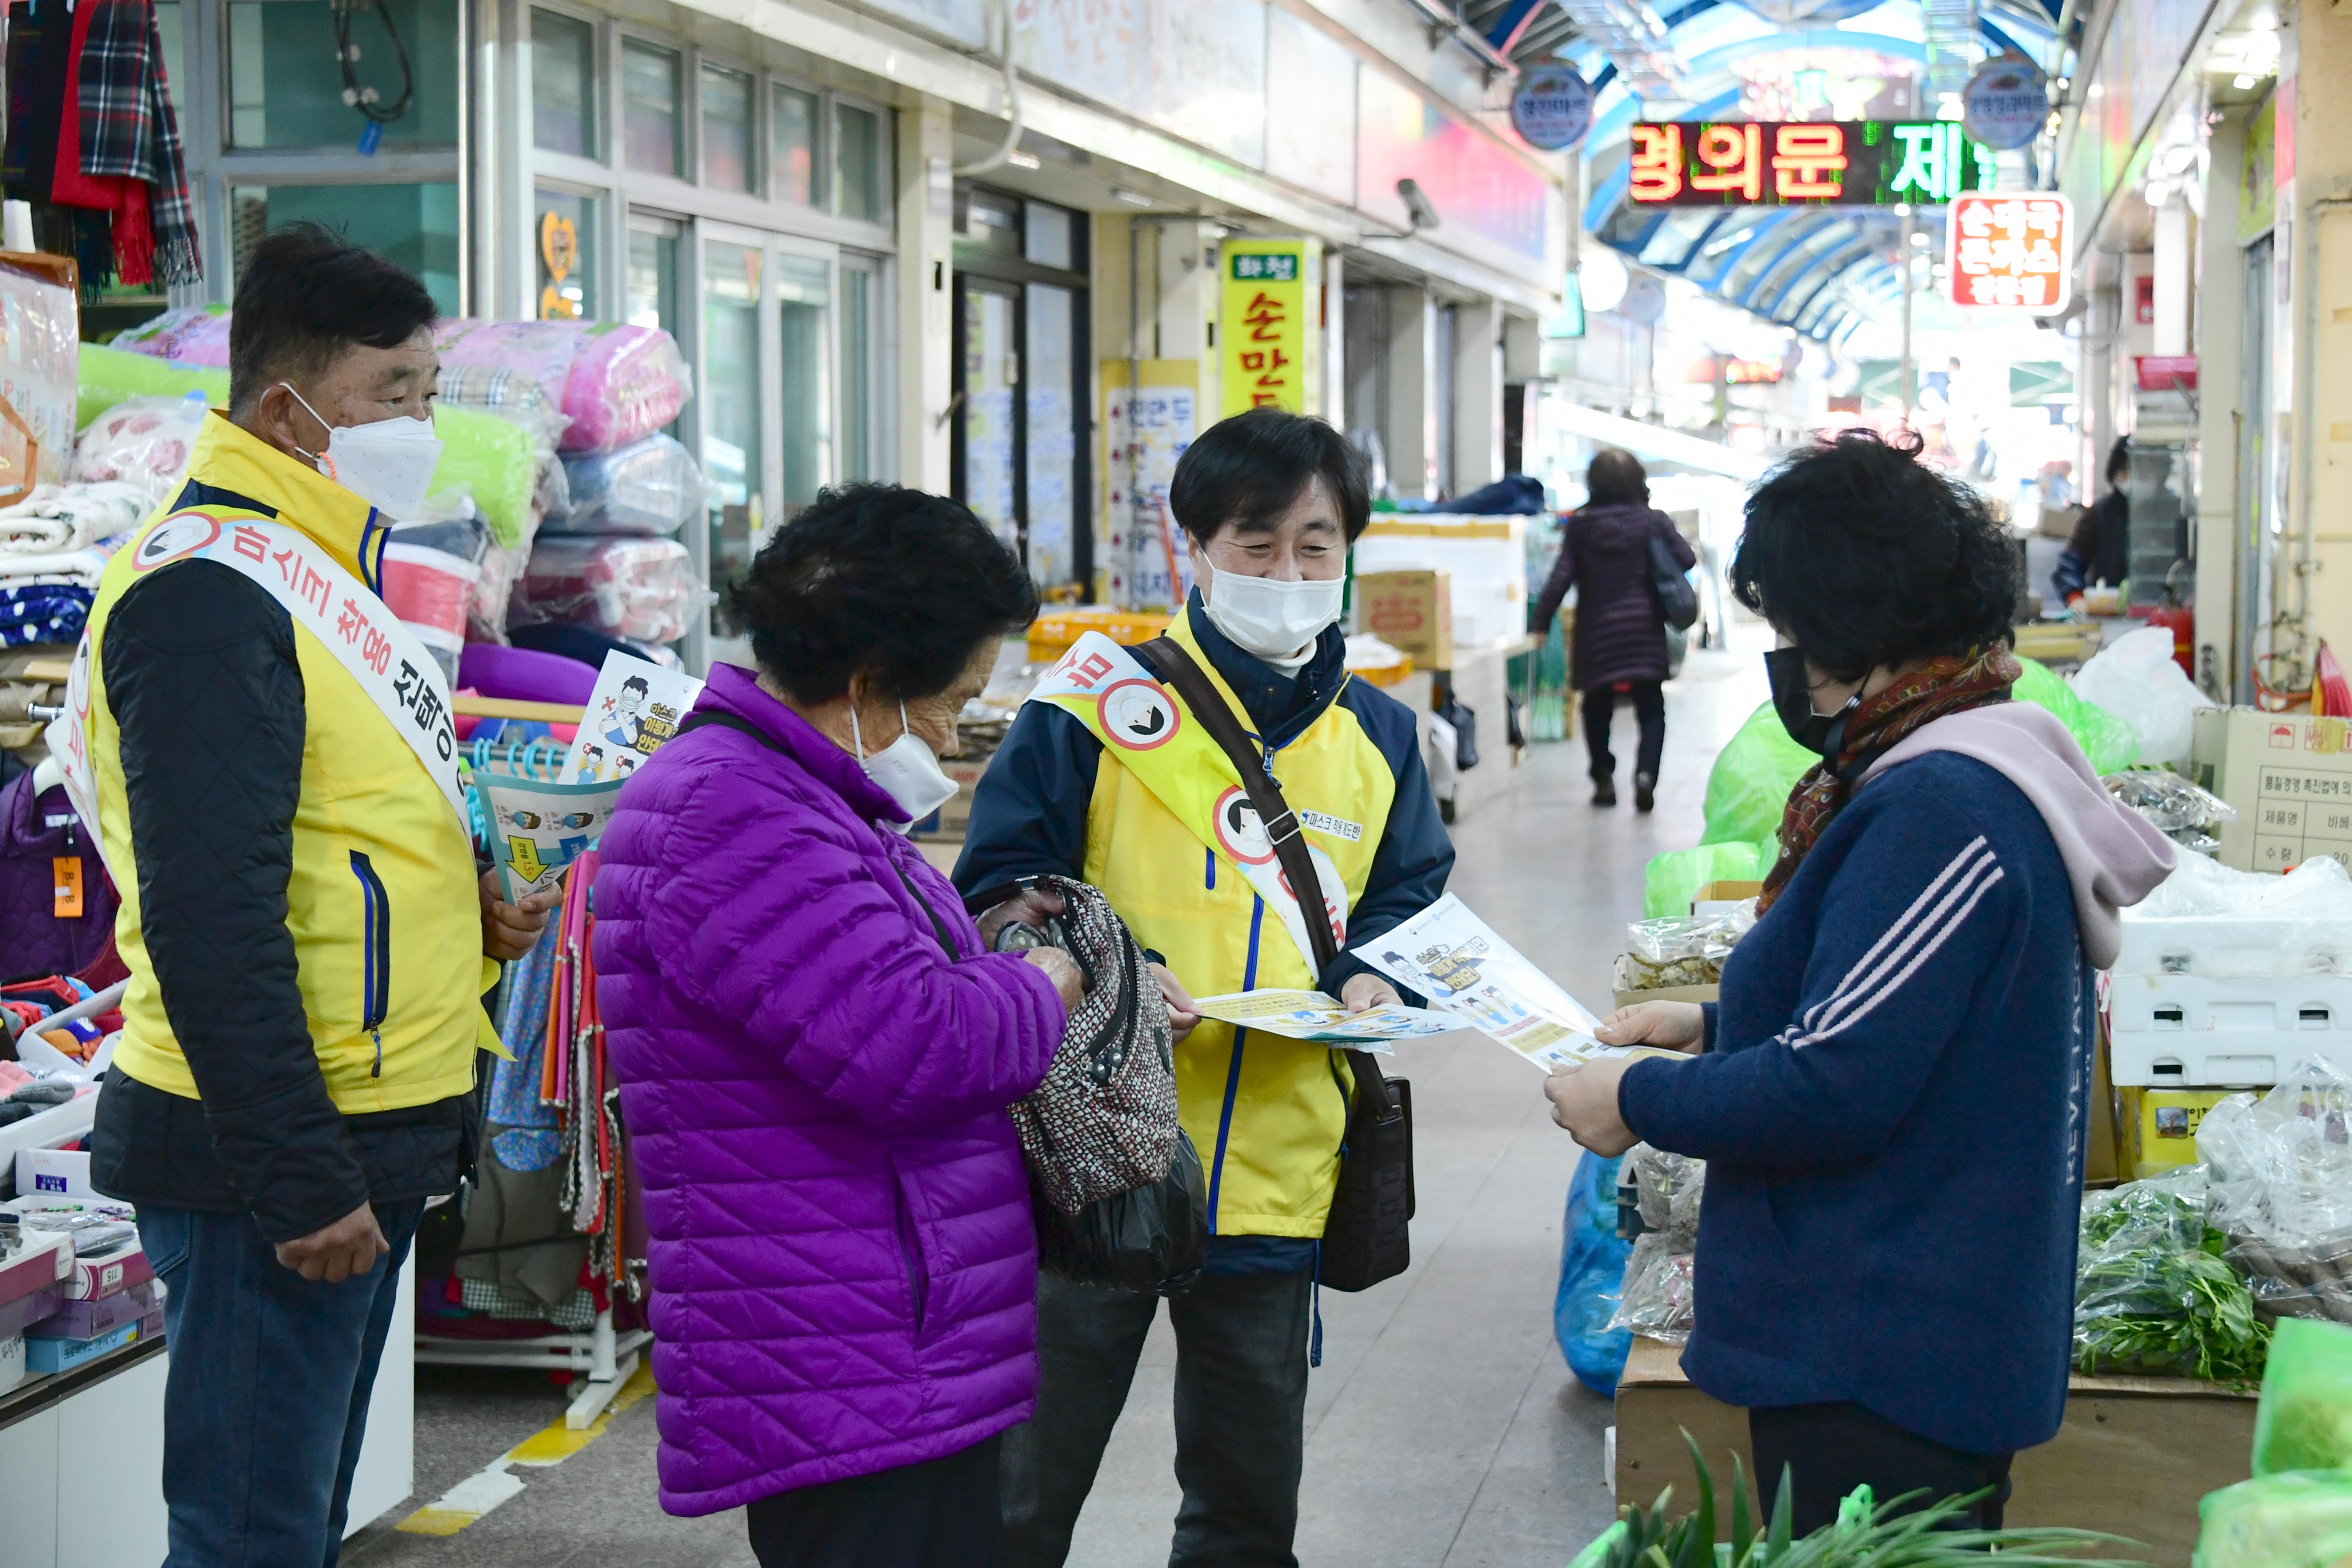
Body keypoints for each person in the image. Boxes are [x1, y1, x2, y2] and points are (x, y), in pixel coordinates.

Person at [1543, 430, 2175, 1533]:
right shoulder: (1960, 766)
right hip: (1909, 1324)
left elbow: (1833, 1086)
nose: (1788, 658)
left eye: (1791, 628)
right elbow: (1913, 1017)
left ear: (1853, 623)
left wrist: (1631, 1097)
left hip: (1889, 1350)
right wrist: (1710, 1020)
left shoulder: (1941, 808)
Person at [82, 224, 558, 1565]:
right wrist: (297, 1175)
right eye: (390, 394)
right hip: (274, 1157)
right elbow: (209, 911)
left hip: (373, 1117)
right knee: (248, 1534)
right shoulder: (209, 594)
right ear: (290, 406)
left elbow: (329, 829)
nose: (419, 423)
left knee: (300, 1521)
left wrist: (463, 898)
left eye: (428, 392)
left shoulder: (318, 551)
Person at [956, 407, 1454, 1568]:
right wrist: (1113, 968)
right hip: (1091, 1155)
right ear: (1192, 547)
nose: (1288, 573)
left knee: (1244, 1512)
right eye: (1256, 544)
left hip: (1279, 1167)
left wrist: (1380, 977)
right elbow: (997, 890)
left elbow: (1414, 902)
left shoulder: (1381, 736)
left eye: (1316, 546)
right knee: (1018, 1502)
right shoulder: (1092, 709)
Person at [593, 484, 1078, 1568]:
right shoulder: (732, 810)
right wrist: (1044, 989)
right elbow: (915, 1044)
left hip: (878, 1333)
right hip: (845, 1353)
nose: (955, 740)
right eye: (952, 701)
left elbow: (862, 991)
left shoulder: (798, 795)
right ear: (867, 686)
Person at [1529, 448, 1696, 812]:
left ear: (1595, 483)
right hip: (1644, 632)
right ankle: (1646, 777)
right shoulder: (1653, 522)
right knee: (1651, 708)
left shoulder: (1582, 525)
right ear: (1638, 480)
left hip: (1597, 633)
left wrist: (1540, 623)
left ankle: (1603, 778)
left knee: (1596, 707)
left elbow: (1561, 577)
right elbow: (1687, 558)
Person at [2054, 438, 2130, 604]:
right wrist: (2075, 597)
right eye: (2126, 470)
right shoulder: (2101, 513)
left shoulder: (2167, 514)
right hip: (2106, 611)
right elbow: (2069, 565)